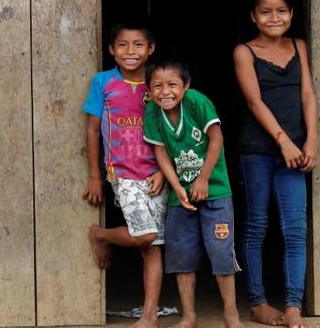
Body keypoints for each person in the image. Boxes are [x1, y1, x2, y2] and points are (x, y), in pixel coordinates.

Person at [233, 0, 317, 328]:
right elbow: (254, 102)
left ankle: (294, 304)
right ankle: (257, 302)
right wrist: (282, 139)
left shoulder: (299, 45)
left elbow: (308, 94)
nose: (274, 17)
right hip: (257, 151)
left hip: (295, 153)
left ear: (291, 14)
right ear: (254, 16)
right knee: (257, 227)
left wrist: (311, 139)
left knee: (295, 230)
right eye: (266, 11)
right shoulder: (244, 52)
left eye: (281, 10)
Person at [143, 57, 244, 328]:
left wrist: (203, 178)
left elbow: (217, 139)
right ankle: (189, 316)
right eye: (157, 86)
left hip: (215, 191)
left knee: (221, 252)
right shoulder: (152, 112)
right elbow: (160, 151)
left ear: (186, 85)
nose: (165, 92)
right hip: (181, 198)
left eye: (173, 85)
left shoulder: (197, 101)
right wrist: (177, 187)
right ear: (149, 90)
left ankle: (231, 314)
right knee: (181, 256)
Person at [83, 21, 167, 328]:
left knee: (152, 246)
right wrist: (95, 176)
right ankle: (100, 234)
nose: (130, 52)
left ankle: (149, 317)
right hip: (123, 173)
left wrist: (164, 172)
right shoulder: (103, 82)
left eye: (138, 45)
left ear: (151, 50)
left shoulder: (158, 83)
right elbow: (93, 130)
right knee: (146, 235)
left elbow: (170, 132)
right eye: (122, 45)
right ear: (111, 50)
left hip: (155, 174)